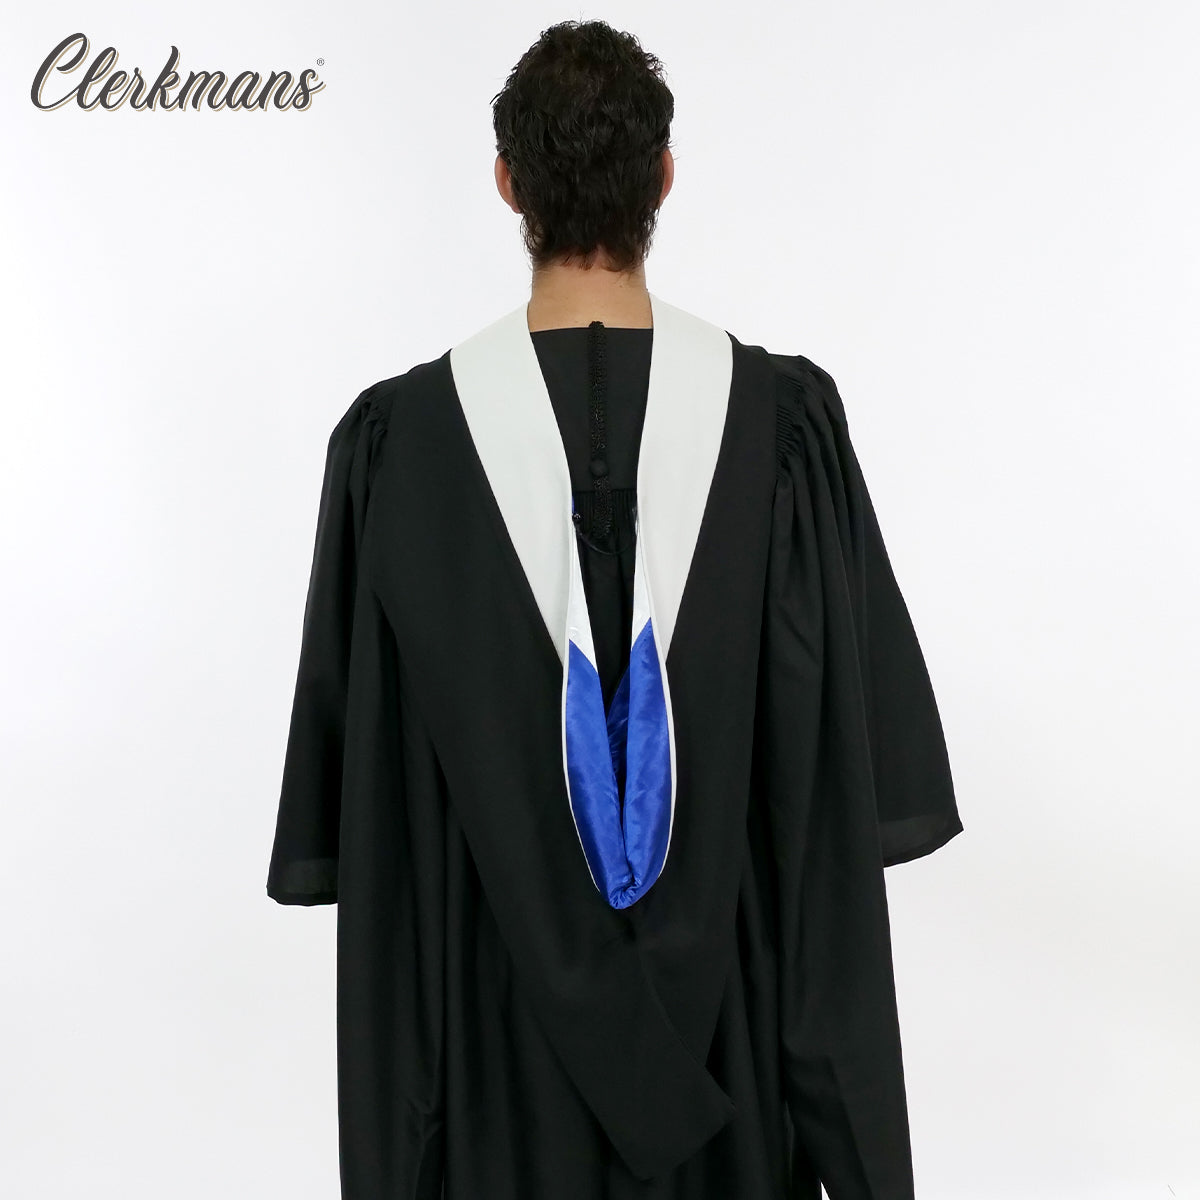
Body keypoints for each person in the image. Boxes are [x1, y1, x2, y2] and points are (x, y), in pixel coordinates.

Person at [266, 18, 963, 1200]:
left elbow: (372, 834)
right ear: (664, 178)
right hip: (731, 1065)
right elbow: (836, 808)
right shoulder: (781, 433)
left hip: (487, 1070)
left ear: (507, 185)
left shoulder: (401, 450)